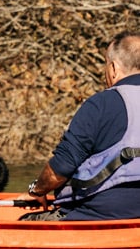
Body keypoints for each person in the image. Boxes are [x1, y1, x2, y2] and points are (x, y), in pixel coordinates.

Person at [20, 30, 140, 221]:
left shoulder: (101, 103)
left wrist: (36, 191)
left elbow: (59, 170)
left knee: (24, 223)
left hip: (100, 213)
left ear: (114, 68)